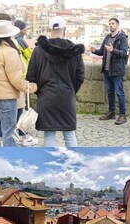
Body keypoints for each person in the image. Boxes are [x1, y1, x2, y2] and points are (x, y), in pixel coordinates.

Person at [26, 16, 85, 147]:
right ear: (64, 29)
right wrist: (70, 89)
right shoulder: (75, 51)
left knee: (49, 134)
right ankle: (74, 163)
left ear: (48, 29)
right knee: (69, 134)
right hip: (67, 96)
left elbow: (31, 76)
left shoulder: (38, 50)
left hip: (46, 96)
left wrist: (41, 92)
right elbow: (80, 76)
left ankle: (48, 163)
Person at [0, 20, 37, 147]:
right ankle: (8, 159)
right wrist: (32, 87)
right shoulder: (11, 52)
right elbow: (16, 80)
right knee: (9, 132)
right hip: (6, 97)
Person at [90, 17, 129, 125]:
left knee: (119, 93)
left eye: (113, 23)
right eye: (109, 24)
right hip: (107, 70)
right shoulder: (107, 37)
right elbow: (102, 51)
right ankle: (111, 113)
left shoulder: (122, 38)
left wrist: (113, 50)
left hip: (117, 70)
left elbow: (124, 53)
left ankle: (123, 115)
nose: (111, 25)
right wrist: (94, 51)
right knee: (110, 92)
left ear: (117, 25)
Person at [12, 20, 38, 146]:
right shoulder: (20, 40)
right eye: (25, 28)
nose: (26, 30)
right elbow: (30, 54)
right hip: (22, 75)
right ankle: (21, 133)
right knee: (21, 107)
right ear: (20, 29)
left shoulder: (12, 40)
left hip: (16, 76)